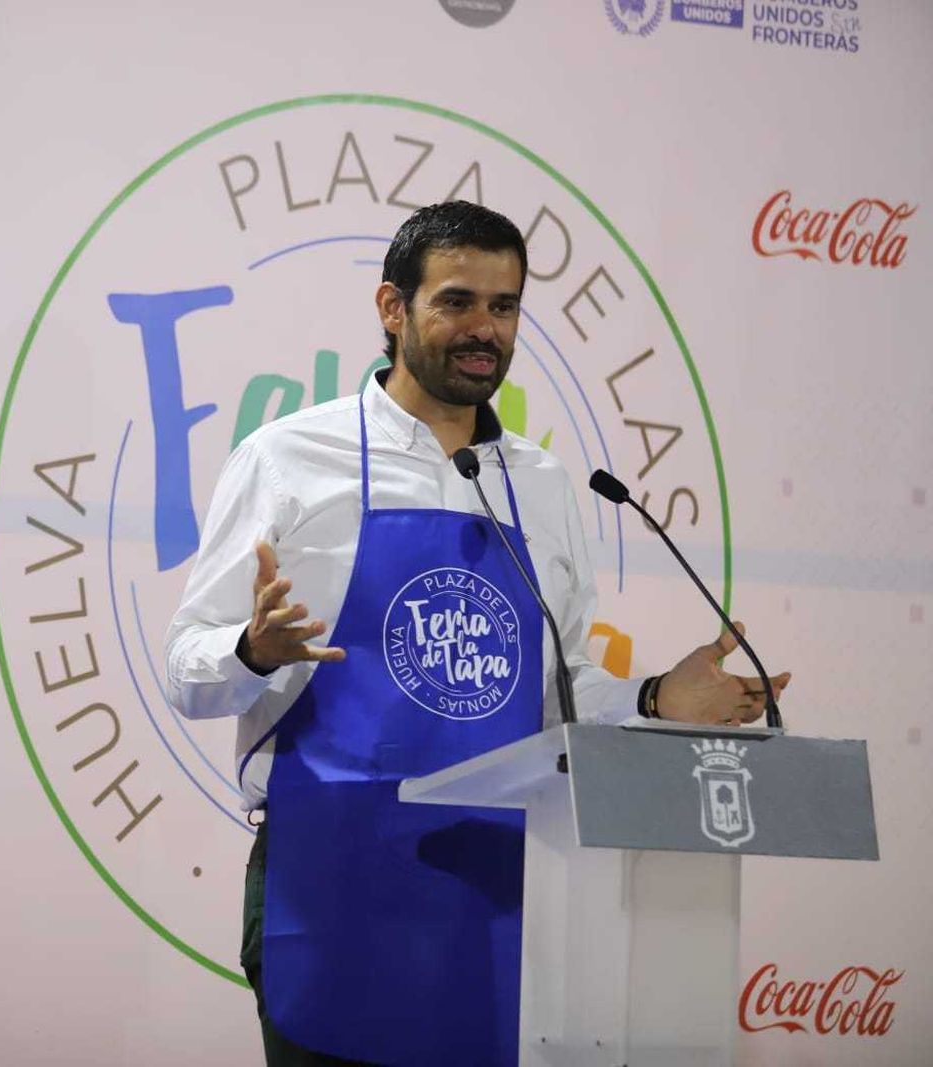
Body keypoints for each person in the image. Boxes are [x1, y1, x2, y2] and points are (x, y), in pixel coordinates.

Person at [163, 200, 790, 1065]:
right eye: (457, 301)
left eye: (504, 307)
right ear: (393, 308)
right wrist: (250, 649)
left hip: (498, 886)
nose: (483, 329)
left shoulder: (542, 482)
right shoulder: (287, 460)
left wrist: (654, 698)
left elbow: (558, 689)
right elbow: (186, 671)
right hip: (328, 879)